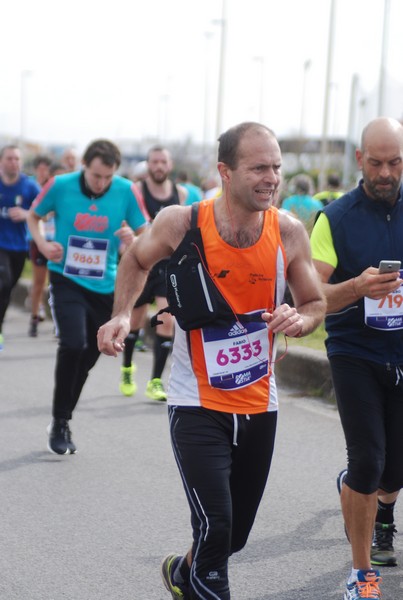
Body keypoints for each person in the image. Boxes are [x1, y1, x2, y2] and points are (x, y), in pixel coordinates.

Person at [98, 122, 325, 599]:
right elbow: (137, 261)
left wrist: (299, 320)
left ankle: (183, 573)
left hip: (260, 402)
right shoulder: (182, 223)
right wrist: (122, 314)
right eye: (259, 167)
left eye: (277, 167)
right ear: (225, 171)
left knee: (233, 535)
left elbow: (314, 302)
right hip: (195, 400)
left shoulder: (287, 230)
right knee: (217, 525)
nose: (272, 178)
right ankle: (205, 583)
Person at [310, 116, 403, 599]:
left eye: (395, 162)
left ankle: (366, 497)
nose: (385, 173)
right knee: (368, 460)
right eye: (376, 162)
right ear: (359, 160)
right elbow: (311, 296)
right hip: (354, 351)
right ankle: (361, 573)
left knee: (395, 468)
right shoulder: (336, 218)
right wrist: (357, 286)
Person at [27, 139, 147, 455]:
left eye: (108, 177)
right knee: (73, 343)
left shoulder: (125, 190)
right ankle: (59, 420)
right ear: (85, 166)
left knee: (88, 358)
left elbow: (147, 233)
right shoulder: (60, 184)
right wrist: (41, 244)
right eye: (96, 176)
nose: (102, 183)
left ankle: (63, 419)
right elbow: (33, 216)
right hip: (65, 278)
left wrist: (132, 238)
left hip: (105, 285)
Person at [119, 145, 187, 401]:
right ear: (148, 164)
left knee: (166, 320)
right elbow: (124, 223)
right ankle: (127, 368)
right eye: (154, 161)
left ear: (169, 166)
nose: (159, 166)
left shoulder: (179, 193)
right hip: (140, 263)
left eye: (163, 162)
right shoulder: (136, 192)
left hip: (167, 267)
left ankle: (156, 381)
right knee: (134, 322)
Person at [0, 145, 41, 351]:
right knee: (3, 280)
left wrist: (26, 214)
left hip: (19, 246)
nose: (13, 162)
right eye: (9, 158)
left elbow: (45, 209)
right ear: (1, 161)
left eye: (17, 159)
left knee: (7, 287)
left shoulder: (29, 186)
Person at [27, 154, 54, 337]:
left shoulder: (57, 188)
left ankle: (58, 324)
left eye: (47, 169)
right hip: (38, 240)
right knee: (39, 282)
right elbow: (36, 215)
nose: (43, 172)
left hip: (57, 241)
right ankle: (35, 316)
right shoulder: (33, 187)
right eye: (41, 168)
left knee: (56, 284)